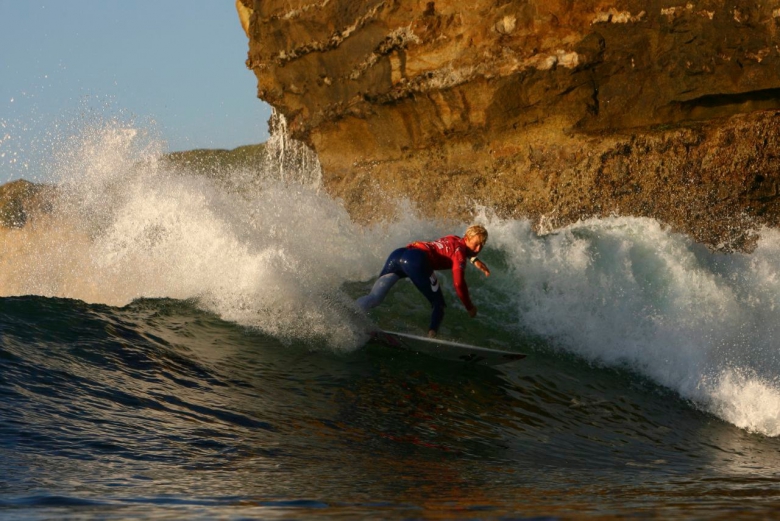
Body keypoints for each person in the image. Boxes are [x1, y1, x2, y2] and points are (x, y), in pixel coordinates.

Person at [356, 225, 491, 338]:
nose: (478, 249)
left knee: (374, 298)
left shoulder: (455, 238)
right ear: (467, 239)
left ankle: (352, 312)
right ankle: (431, 337)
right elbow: (458, 283)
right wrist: (469, 307)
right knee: (438, 304)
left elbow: (463, 248)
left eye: (481, 245)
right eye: (476, 244)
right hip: (416, 261)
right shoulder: (459, 254)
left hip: (399, 254)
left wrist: (475, 260)